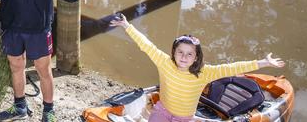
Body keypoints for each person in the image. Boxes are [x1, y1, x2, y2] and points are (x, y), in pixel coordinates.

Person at [109, 13, 286, 122]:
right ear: (173, 52)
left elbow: (231, 67)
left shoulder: (204, 73)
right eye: (180, 52)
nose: (184, 57)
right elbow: (146, 45)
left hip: (184, 119)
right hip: (162, 112)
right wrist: (127, 26)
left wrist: (263, 62)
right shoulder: (164, 62)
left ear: (196, 58)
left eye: (189, 54)